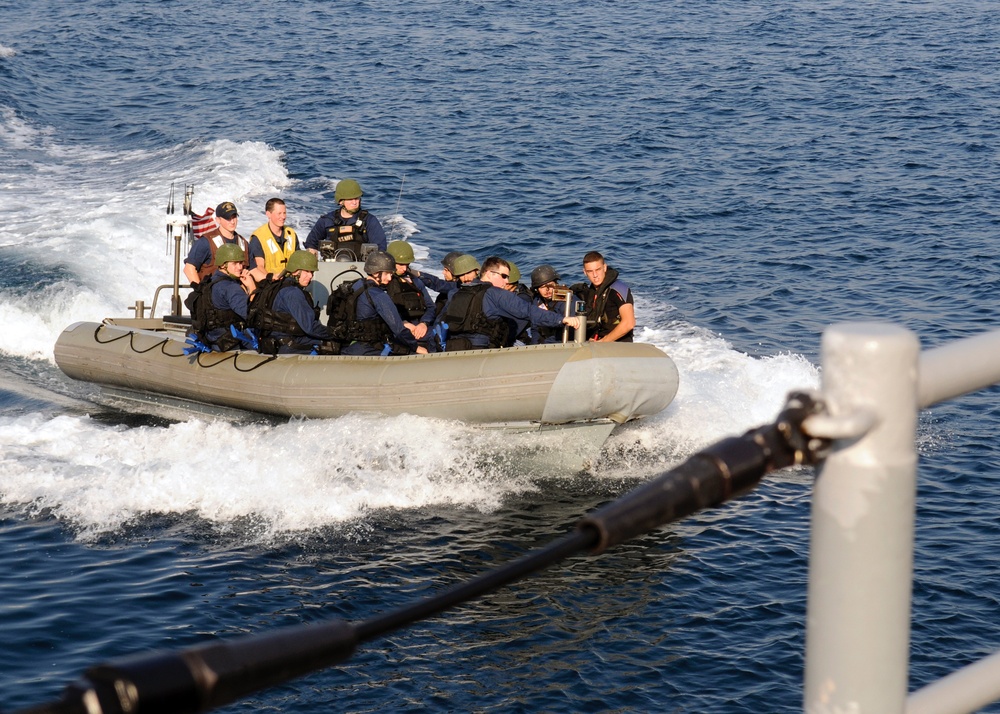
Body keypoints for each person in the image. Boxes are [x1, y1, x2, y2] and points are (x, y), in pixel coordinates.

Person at [435, 255, 582, 351]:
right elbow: (527, 311)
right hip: (480, 350)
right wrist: (561, 319)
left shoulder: (456, 293)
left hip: (452, 349)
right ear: (490, 274)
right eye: (504, 276)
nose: (507, 281)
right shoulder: (496, 294)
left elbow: (440, 323)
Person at [338, 251, 427, 356]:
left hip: (350, 344)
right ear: (376, 273)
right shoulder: (378, 295)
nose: (390, 278)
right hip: (371, 348)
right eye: (387, 273)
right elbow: (398, 330)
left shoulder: (356, 285)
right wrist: (415, 347)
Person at [249, 250, 334, 354]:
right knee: (335, 345)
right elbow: (310, 328)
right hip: (289, 345)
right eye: (307, 271)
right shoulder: (293, 293)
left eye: (312, 272)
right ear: (295, 272)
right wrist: (334, 332)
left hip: (278, 342)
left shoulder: (281, 285)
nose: (310, 276)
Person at [186, 243, 256, 351]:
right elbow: (253, 316)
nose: (240, 267)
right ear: (223, 265)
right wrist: (251, 287)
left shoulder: (211, 281)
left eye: (241, 263)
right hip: (232, 344)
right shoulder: (231, 288)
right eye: (235, 263)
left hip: (213, 340)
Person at [304, 178, 387, 259]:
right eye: (350, 199)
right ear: (341, 201)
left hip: (361, 268)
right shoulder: (327, 220)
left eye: (357, 198)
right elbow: (311, 243)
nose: (354, 202)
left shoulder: (369, 220)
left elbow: (380, 247)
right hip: (331, 268)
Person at [572, 251, 636, 342]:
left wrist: (603, 341)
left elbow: (629, 323)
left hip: (619, 344)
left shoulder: (618, 289)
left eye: (598, 270)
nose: (595, 275)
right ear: (585, 272)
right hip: (597, 342)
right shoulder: (591, 292)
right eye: (590, 271)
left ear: (604, 268)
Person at [183, 201, 250, 285]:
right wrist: (200, 292)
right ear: (218, 220)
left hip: (237, 294)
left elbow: (252, 269)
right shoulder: (206, 242)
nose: (232, 221)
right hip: (213, 294)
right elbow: (189, 268)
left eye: (234, 217)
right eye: (228, 218)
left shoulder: (244, 243)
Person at [385, 240, 437, 344]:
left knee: (438, 335)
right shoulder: (383, 282)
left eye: (407, 265)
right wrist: (403, 323)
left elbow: (431, 306)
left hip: (419, 325)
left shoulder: (415, 282)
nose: (404, 269)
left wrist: (424, 323)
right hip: (397, 327)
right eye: (400, 265)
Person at [248, 198, 298, 281]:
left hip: (291, 281)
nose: (283, 217)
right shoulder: (258, 237)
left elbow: (298, 259)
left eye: (284, 213)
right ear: (268, 214)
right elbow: (259, 267)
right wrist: (273, 279)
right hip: (270, 284)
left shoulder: (291, 234)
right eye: (279, 213)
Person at [529, 264, 581, 344]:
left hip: (563, 342)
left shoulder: (567, 300)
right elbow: (535, 328)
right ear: (537, 289)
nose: (547, 290)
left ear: (556, 284)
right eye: (542, 287)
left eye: (550, 285)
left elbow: (571, 329)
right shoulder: (537, 301)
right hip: (544, 342)